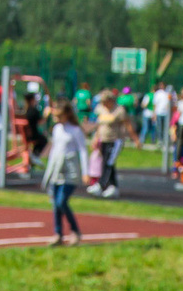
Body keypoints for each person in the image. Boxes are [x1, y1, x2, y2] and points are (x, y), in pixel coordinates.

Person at [42, 99, 89, 245]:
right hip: (57, 169)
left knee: (61, 201)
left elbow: (83, 150)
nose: (56, 118)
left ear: (67, 114)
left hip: (70, 170)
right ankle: (58, 234)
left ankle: (75, 231)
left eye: (59, 115)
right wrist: (49, 172)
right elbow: (54, 150)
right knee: (55, 203)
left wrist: (85, 172)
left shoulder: (75, 130)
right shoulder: (57, 129)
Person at [90, 92, 129, 196]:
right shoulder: (101, 109)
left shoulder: (119, 110)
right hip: (104, 139)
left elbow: (126, 124)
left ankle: (101, 185)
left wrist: (134, 138)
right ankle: (112, 186)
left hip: (115, 140)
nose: (103, 104)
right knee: (105, 162)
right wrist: (96, 138)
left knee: (108, 162)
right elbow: (99, 125)